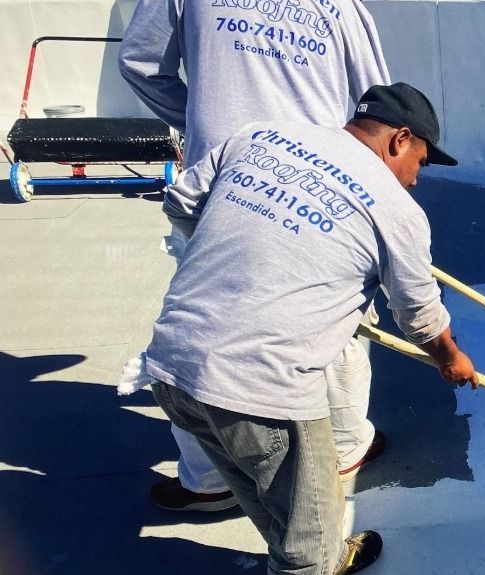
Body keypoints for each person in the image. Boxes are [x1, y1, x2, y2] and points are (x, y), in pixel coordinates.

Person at [147, 82, 477, 575]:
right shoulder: (397, 210)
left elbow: (183, 202)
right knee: (312, 518)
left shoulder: (261, 137)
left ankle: (316, 561)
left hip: (172, 365)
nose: (415, 180)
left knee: (258, 484)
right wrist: (451, 360)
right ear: (400, 139)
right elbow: (420, 315)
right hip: (259, 387)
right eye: (419, 163)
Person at [118, 0, 392, 511]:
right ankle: (348, 447)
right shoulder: (341, 6)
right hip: (316, 188)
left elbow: (140, 62)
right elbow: (374, 102)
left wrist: (212, 126)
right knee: (338, 321)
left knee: (206, 321)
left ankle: (208, 478)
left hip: (220, 182)